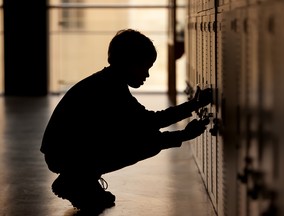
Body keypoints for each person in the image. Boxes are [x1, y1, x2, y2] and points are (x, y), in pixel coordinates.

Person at [40, 29, 213, 214]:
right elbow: (149, 123)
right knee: (147, 143)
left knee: (142, 137)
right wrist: (185, 132)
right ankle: (74, 180)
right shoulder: (109, 89)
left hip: (67, 150)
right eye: (144, 66)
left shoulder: (107, 81)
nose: (146, 75)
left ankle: (84, 181)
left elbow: (144, 122)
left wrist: (193, 106)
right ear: (129, 63)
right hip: (66, 155)